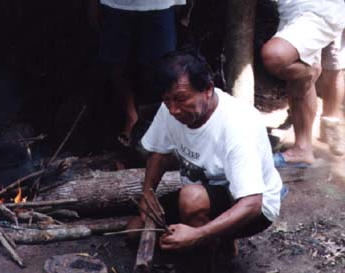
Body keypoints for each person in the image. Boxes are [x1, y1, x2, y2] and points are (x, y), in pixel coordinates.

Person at [129, 50, 283, 270]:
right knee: (134, 230)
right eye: (167, 100)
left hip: (254, 210)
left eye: (181, 100)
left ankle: (204, 259)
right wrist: (147, 194)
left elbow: (252, 203)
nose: (173, 110)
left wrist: (197, 235)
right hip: (205, 194)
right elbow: (160, 154)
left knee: (192, 199)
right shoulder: (170, 107)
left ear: (208, 90)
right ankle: (220, 243)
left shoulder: (236, 125)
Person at [90, 0, 185, 147]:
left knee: (162, 64)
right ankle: (131, 115)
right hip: (115, 4)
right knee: (115, 61)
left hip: (160, 4)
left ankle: (150, 121)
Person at [261, 1, 345, 166]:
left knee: (275, 56)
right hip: (294, 10)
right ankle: (302, 149)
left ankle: (330, 122)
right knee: (300, 75)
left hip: (318, 10)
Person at [316, 30, 345, 156]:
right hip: (300, 14)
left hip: (334, 17)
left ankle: (330, 125)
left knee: (334, 70)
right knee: (307, 69)